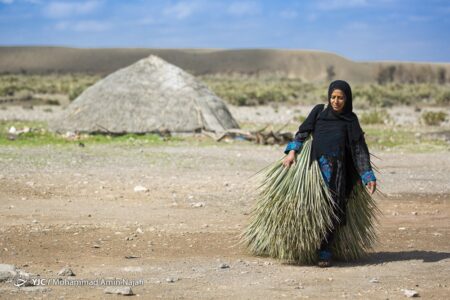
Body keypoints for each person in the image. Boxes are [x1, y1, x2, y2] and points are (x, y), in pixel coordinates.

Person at [282, 80, 376, 267]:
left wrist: (367, 175)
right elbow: (303, 132)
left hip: (338, 173)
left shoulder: (351, 120)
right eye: (333, 97)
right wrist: (292, 152)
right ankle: (302, 246)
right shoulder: (319, 111)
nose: (336, 101)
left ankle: (325, 250)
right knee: (309, 206)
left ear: (347, 99)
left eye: (340, 98)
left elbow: (358, 149)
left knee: (333, 209)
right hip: (313, 169)